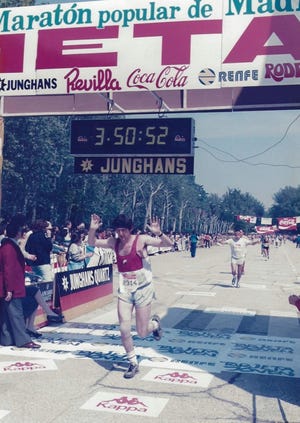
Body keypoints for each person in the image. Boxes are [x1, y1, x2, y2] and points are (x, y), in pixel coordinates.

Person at [88, 213, 173, 379]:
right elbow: (92, 243)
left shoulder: (141, 239)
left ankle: (154, 324)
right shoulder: (114, 242)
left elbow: (168, 244)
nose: (121, 234)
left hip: (143, 289)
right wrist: (92, 229)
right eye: (118, 231)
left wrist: (159, 232)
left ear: (130, 229)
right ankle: (133, 362)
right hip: (125, 290)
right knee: (124, 328)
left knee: (142, 332)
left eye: (124, 231)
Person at [0, 217, 41, 349]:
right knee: (16, 314)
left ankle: (7, 339)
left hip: (8, 286)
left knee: (7, 315)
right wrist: (10, 289)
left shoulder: (8, 245)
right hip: (12, 287)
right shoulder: (9, 247)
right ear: (18, 232)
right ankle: (23, 340)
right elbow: (9, 270)